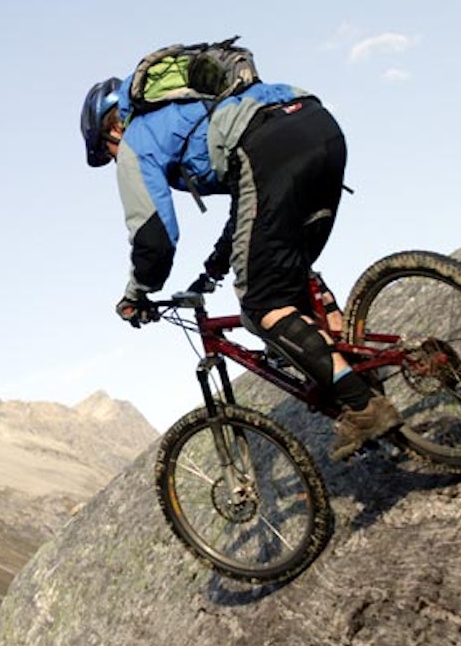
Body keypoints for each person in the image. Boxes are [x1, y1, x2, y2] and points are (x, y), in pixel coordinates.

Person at [80, 60, 401, 460]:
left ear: (113, 129)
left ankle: (364, 407)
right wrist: (215, 266)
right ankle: (366, 377)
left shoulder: (136, 139)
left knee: (262, 303)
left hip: (270, 147)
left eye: (107, 152)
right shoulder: (196, 110)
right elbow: (247, 203)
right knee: (289, 267)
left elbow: (154, 236)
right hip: (316, 123)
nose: (114, 159)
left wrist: (137, 293)